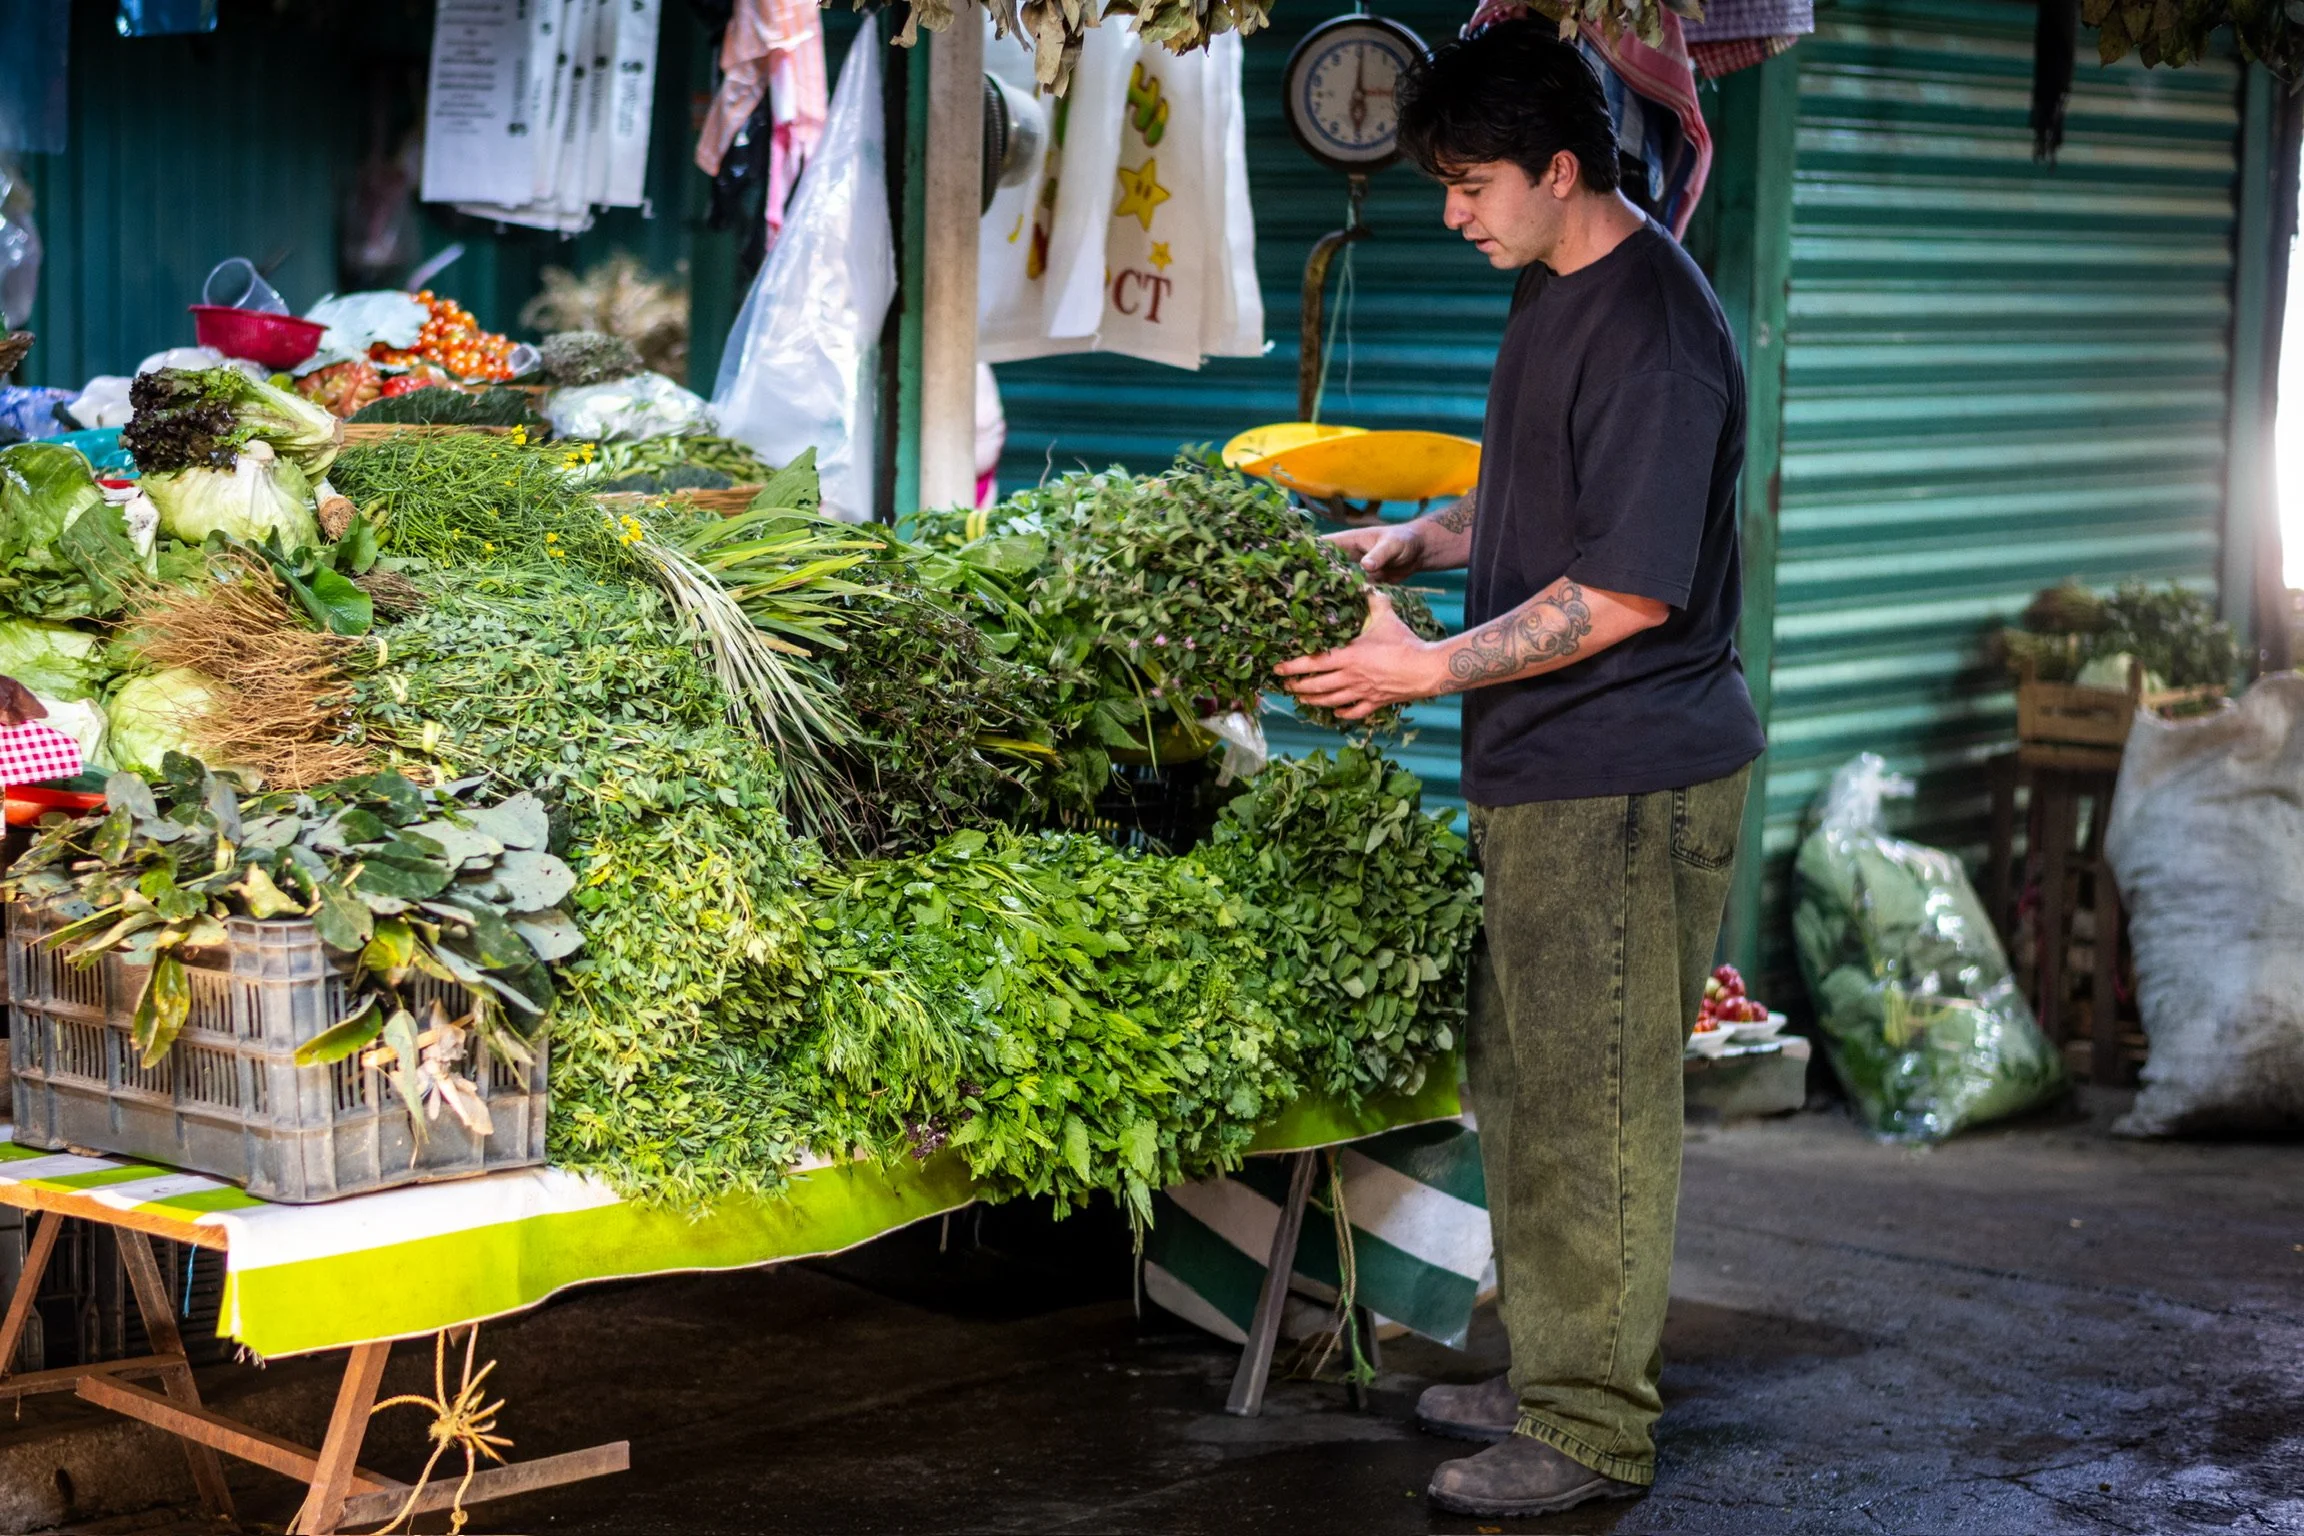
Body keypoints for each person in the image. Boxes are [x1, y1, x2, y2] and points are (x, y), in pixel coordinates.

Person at [1275, 18, 1765, 1520]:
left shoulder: (1661, 333)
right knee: (1529, 1088)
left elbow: (1622, 592)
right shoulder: (1558, 284)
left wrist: (1421, 664)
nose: (1453, 212)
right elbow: (1541, 489)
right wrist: (1425, 541)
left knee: (1596, 1107)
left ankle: (1593, 1426)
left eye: (1474, 182)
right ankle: (1545, 1362)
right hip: (1547, 772)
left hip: (1627, 780)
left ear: (1563, 167)